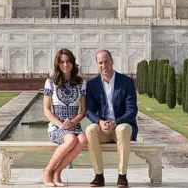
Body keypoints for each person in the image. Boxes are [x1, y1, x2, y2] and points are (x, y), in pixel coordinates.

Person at [85, 50, 138, 188]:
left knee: (124, 128)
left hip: (120, 126)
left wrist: (116, 123)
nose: (104, 65)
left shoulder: (126, 82)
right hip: (103, 128)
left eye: (106, 61)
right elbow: (89, 110)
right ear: (97, 64)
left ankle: (122, 176)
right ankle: (98, 175)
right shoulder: (92, 84)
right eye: (100, 63)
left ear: (112, 61)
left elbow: (132, 111)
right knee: (90, 130)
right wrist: (99, 122)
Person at [43, 49, 88, 187]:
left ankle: (57, 172)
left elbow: (83, 110)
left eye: (68, 61)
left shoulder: (81, 82)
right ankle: (47, 171)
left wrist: (73, 122)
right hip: (57, 127)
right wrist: (61, 125)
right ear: (57, 64)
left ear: (73, 63)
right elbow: (46, 110)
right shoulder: (51, 82)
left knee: (83, 139)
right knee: (71, 139)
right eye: (62, 62)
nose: (65, 64)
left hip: (74, 126)